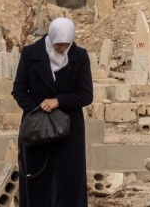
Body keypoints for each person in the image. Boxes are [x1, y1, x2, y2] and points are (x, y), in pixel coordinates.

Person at [12, 17, 94, 207]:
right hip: (37, 127)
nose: (61, 49)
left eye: (66, 45)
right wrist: (39, 109)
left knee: (69, 182)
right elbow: (19, 90)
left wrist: (59, 102)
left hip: (69, 129)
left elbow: (86, 95)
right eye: (58, 45)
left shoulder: (79, 56)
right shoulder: (31, 53)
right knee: (38, 180)